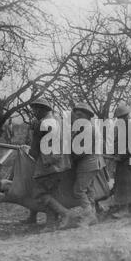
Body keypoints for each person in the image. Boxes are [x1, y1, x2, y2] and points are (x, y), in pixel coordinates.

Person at [29, 97, 78, 229]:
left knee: (40, 194)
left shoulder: (41, 124)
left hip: (48, 165)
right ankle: (51, 223)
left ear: (41, 109)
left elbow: (33, 152)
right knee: (52, 195)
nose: (33, 112)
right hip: (61, 164)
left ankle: (66, 213)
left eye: (34, 109)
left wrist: (33, 134)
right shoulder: (59, 121)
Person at [71, 102, 105, 226]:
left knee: (78, 191)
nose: (77, 118)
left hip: (88, 163)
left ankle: (89, 215)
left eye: (80, 115)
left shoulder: (87, 129)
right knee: (89, 189)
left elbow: (81, 151)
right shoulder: (88, 127)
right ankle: (93, 214)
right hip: (94, 162)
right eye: (76, 115)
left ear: (87, 116)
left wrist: (71, 157)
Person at [111, 104, 131, 218]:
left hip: (130, 159)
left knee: (128, 184)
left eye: (120, 118)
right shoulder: (124, 126)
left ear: (125, 116)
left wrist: (122, 156)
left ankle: (125, 210)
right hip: (125, 159)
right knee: (125, 183)